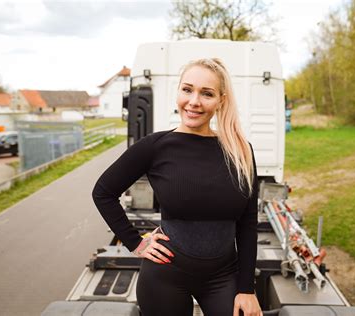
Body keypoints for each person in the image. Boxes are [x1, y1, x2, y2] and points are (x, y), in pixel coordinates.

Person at [92, 58, 262, 316]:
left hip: (224, 276)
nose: (194, 101)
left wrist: (247, 288)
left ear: (221, 100)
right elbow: (103, 192)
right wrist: (135, 243)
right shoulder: (156, 146)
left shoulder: (241, 151)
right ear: (179, 92)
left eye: (207, 93)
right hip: (165, 276)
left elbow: (248, 222)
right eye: (187, 89)